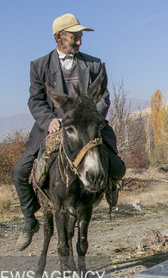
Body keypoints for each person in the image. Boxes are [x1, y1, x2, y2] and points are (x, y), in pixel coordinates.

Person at [13, 13, 125, 251]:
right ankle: (29, 219)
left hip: (87, 125)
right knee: (20, 171)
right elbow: (35, 101)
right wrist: (49, 120)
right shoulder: (39, 66)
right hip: (52, 126)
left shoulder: (93, 64)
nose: (79, 42)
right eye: (74, 37)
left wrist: (92, 117)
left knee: (117, 166)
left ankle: (111, 185)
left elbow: (104, 97)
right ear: (59, 37)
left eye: (80, 37)